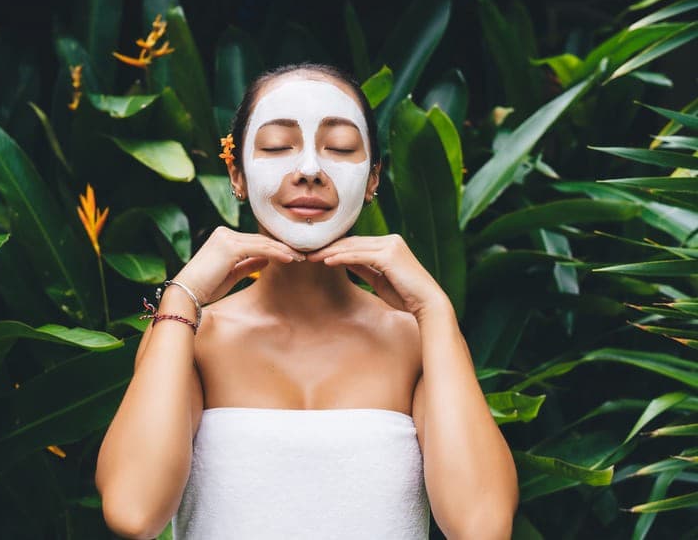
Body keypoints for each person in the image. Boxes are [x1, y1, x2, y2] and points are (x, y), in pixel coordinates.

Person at [95, 62, 519, 539]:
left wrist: (435, 312)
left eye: (339, 148)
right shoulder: (190, 336)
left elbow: (483, 527)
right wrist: (181, 295)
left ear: (374, 177)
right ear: (236, 172)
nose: (310, 171)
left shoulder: (415, 340)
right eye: (277, 147)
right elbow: (133, 511)